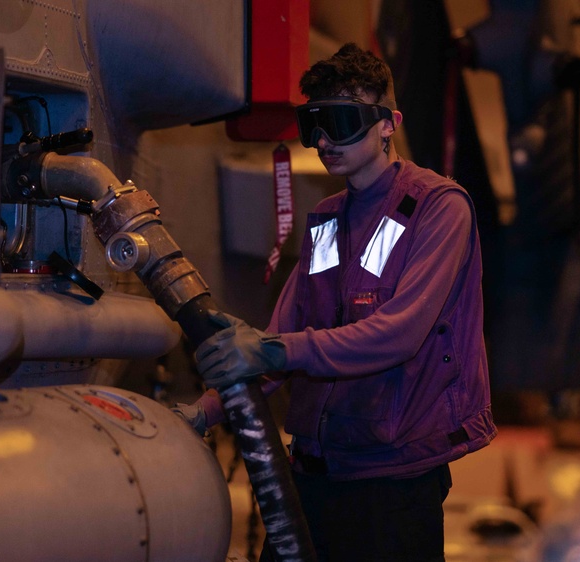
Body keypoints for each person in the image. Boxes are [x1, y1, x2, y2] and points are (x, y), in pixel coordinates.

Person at [177, 42, 496, 562]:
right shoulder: (328, 218)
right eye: (313, 125)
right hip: (316, 475)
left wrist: (273, 351)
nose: (324, 141)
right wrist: (202, 412)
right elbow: (279, 341)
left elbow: (398, 332)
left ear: (388, 124)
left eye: (342, 122)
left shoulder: (439, 208)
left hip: (392, 485)